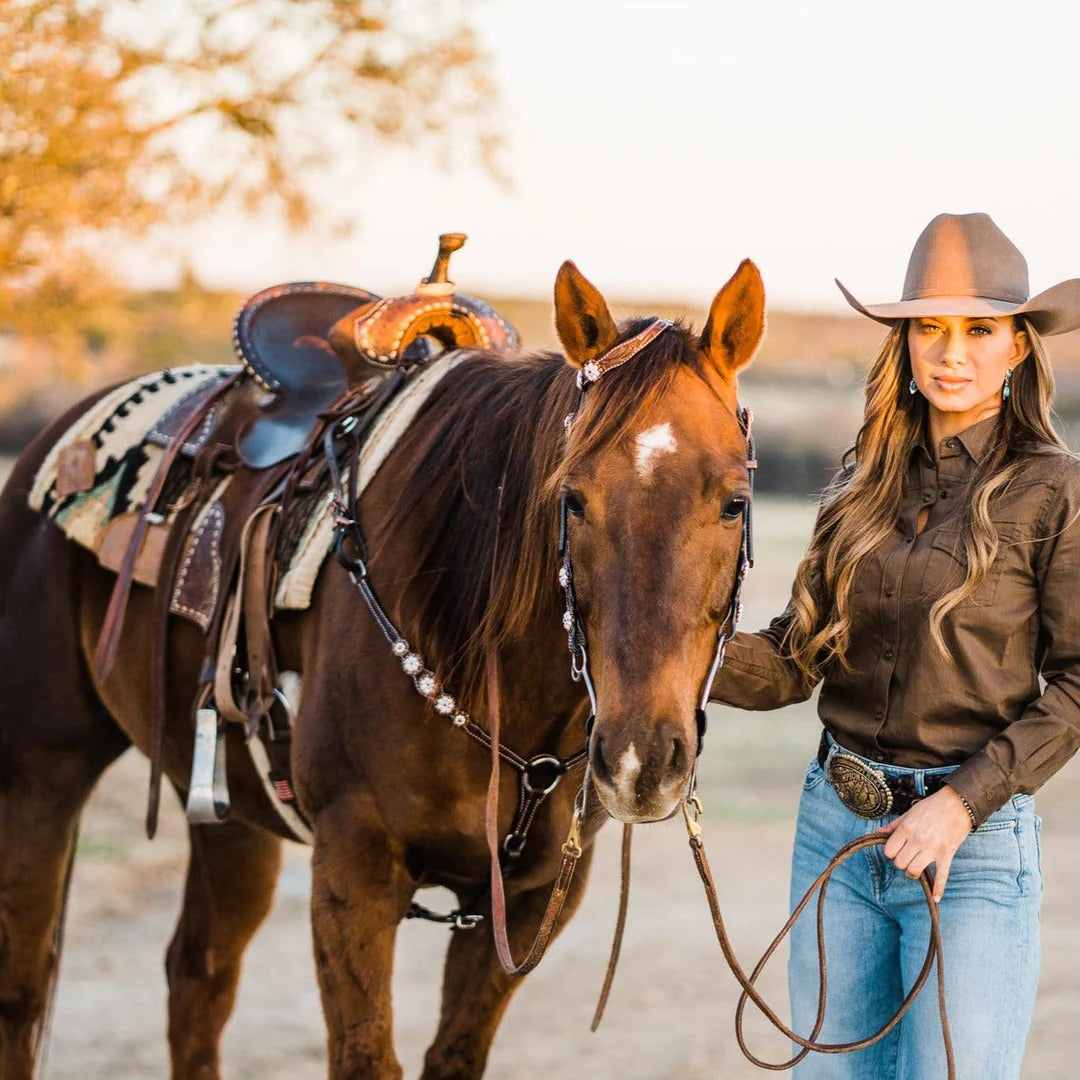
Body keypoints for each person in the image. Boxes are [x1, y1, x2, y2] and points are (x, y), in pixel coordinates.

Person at [710, 212, 1080, 1078]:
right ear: (905, 344)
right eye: (929, 329)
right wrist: (672, 652)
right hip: (835, 831)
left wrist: (958, 806)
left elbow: (1076, 684)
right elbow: (798, 657)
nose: (952, 352)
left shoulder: (1057, 492)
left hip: (972, 848)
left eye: (979, 330)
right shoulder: (857, 482)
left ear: (1018, 347)